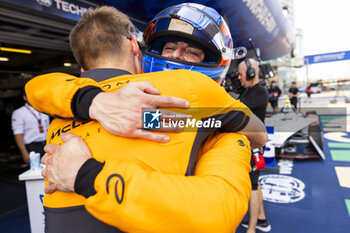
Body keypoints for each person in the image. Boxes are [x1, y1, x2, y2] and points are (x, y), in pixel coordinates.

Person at [26, 5, 267, 233]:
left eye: (192, 52)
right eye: (168, 48)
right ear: (135, 45)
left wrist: (185, 121)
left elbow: (37, 86)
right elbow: (258, 136)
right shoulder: (192, 88)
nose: (175, 58)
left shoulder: (63, 105)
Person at [237, 58, 271, 233]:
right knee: (256, 184)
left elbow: (236, 110)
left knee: (253, 186)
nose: (239, 78)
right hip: (252, 146)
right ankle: (262, 219)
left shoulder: (258, 92)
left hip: (254, 147)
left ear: (251, 73)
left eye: (241, 74)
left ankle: (252, 228)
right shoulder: (250, 90)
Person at [11, 89, 50, 163]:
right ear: (24, 97)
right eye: (29, 96)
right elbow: (18, 134)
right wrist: (24, 152)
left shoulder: (43, 109)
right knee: (35, 171)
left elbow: (49, 129)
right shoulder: (19, 113)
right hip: (32, 147)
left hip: (46, 144)